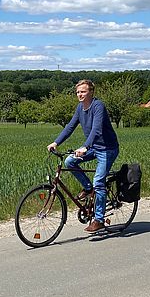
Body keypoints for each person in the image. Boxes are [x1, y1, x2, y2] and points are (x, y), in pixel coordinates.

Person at [47, 79, 119, 233]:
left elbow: (97, 129)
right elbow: (70, 127)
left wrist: (85, 147)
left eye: (83, 91)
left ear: (91, 92)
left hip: (107, 149)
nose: (80, 94)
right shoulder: (80, 108)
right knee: (69, 161)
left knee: (99, 181)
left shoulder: (98, 106)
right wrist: (55, 142)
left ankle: (99, 220)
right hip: (93, 147)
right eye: (78, 92)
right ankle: (87, 188)